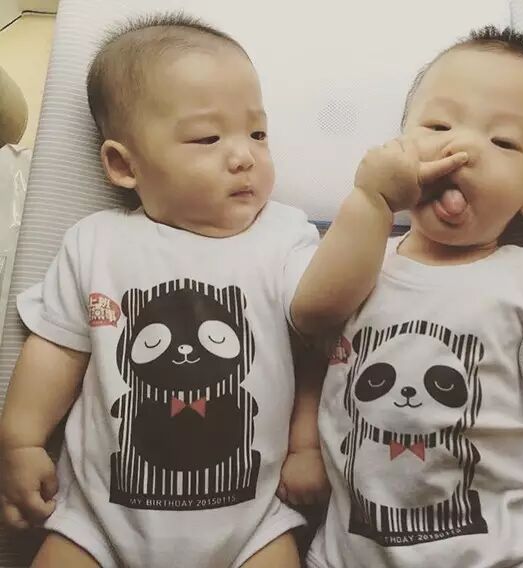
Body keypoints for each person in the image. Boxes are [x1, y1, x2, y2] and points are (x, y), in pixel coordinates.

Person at [292, 26, 523, 567]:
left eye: (502, 142)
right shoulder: (362, 262)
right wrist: (371, 198)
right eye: (438, 126)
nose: (462, 148)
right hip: (352, 553)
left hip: (508, 553)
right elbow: (311, 322)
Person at [0, 13, 328, 568]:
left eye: (258, 133)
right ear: (124, 165)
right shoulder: (96, 243)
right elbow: (56, 349)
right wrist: (20, 440)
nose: (244, 155)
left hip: (252, 524)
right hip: (96, 522)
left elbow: (313, 345)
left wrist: (305, 446)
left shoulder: (285, 235)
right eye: (207, 138)